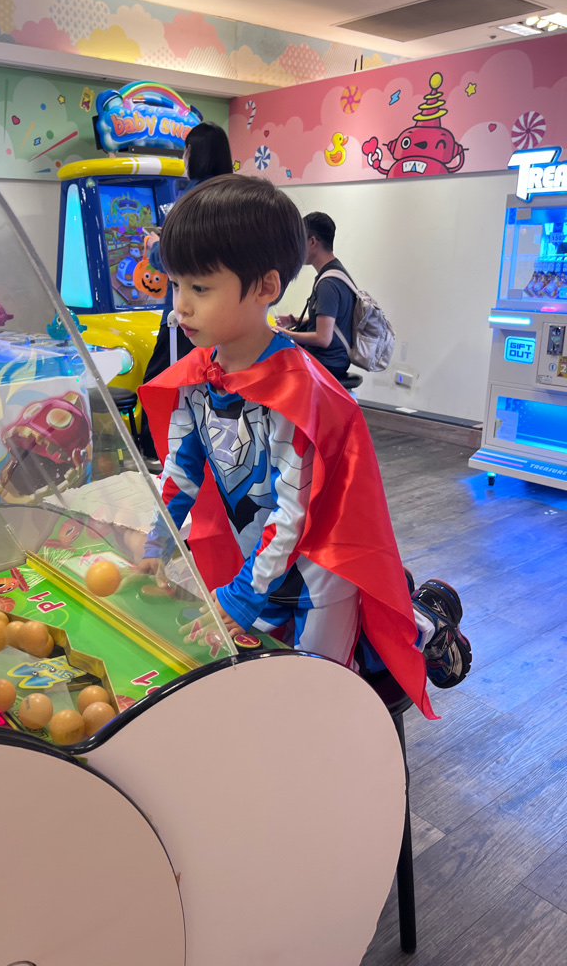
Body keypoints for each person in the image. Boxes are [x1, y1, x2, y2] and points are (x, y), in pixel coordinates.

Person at [138, 175, 470, 719]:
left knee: (323, 694)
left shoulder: (297, 393)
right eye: (176, 286)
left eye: (199, 288)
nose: (180, 308)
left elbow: (293, 514)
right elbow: (181, 472)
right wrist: (157, 543)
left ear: (266, 287)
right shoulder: (198, 375)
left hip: (318, 569)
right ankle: (411, 608)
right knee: (265, 680)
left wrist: (240, 597)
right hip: (257, 562)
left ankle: (426, 625)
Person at [139, 121, 233, 462]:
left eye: (185, 151)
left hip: (185, 314)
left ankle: (156, 450)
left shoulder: (190, 200)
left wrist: (155, 246)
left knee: (161, 380)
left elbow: (173, 258)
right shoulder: (235, 197)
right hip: (229, 315)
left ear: (193, 153)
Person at [274, 212, 355, 381]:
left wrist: (284, 333)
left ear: (312, 242)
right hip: (336, 360)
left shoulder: (328, 283)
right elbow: (332, 322)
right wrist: (295, 321)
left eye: (299, 242)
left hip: (326, 362)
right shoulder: (337, 272)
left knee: (270, 363)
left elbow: (323, 338)